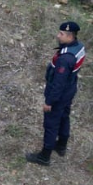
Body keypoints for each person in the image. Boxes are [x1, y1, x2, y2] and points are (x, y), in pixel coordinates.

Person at [27, 21, 86, 166]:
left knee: (51, 124)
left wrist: (49, 102)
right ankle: (61, 145)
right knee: (64, 117)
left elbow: (58, 83)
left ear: (70, 36)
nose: (57, 36)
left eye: (61, 34)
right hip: (70, 90)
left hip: (60, 94)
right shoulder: (78, 47)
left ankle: (44, 156)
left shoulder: (65, 59)